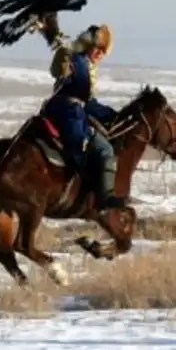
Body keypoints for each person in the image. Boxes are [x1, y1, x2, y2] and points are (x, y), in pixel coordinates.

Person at [39, 22, 126, 213]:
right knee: (105, 149)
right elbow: (86, 101)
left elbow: (88, 102)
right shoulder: (77, 61)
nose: (100, 54)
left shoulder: (82, 63)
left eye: (103, 51)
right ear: (89, 46)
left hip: (64, 110)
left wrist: (111, 114)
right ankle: (104, 198)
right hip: (69, 114)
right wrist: (114, 115)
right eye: (98, 48)